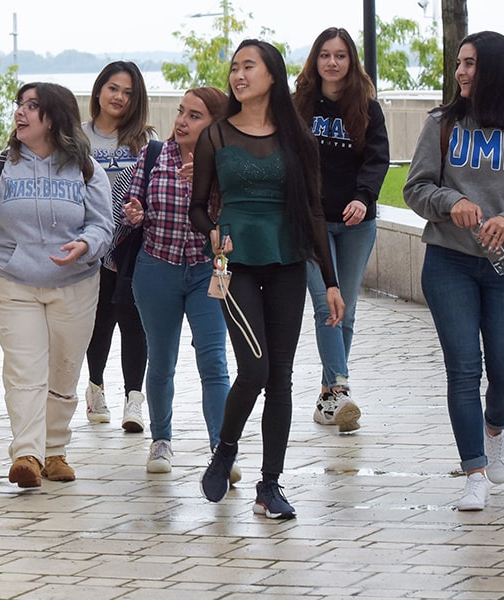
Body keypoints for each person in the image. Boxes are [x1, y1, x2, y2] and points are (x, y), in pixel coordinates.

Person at [403, 31, 504, 512]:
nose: (460, 72)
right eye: (459, 63)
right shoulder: (442, 124)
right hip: (448, 263)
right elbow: (415, 189)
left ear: (495, 68)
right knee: (463, 370)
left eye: (470, 63)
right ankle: (473, 472)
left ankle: (495, 428)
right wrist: (450, 202)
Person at [191, 40, 345, 519]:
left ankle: (270, 486)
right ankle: (225, 449)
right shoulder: (215, 135)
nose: (238, 75)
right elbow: (198, 207)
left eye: (249, 67)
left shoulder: (299, 139)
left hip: (287, 262)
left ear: (272, 76)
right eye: (234, 68)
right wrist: (211, 230)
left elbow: (314, 212)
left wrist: (332, 282)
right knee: (254, 369)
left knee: (281, 378)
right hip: (233, 264)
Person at [0, 82, 114, 489]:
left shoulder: (86, 168)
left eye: (32, 106)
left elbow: (103, 225)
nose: (20, 112)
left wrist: (85, 245)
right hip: (12, 283)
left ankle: (54, 450)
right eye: (19, 104)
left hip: (75, 284)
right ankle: (26, 453)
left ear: (55, 118)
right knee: (25, 369)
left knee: (63, 370)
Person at [119, 87, 238, 478]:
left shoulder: (228, 161)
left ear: (216, 124)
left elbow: (236, 217)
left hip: (209, 271)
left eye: (194, 115)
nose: (182, 121)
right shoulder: (153, 155)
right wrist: (135, 213)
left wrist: (209, 183)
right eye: (181, 111)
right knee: (161, 360)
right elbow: (133, 204)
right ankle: (161, 440)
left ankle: (222, 450)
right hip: (157, 269)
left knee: (214, 362)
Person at [292, 28, 391, 434]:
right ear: (315, 60)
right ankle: (340, 387)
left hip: (355, 225)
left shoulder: (367, 108)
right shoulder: (298, 106)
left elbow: (377, 159)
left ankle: (327, 398)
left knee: (344, 309)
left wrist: (364, 198)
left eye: (340, 55)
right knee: (325, 304)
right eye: (325, 55)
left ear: (351, 62)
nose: (332, 62)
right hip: (310, 223)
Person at [81, 61, 154, 432]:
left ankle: (134, 400)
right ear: (99, 90)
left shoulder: (145, 141)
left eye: (128, 92)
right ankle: (95, 389)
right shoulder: (77, 138)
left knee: (134, 322)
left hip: (130, 247)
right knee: (98, 322)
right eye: (113, 88)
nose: (119, 97)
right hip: (89, 246)